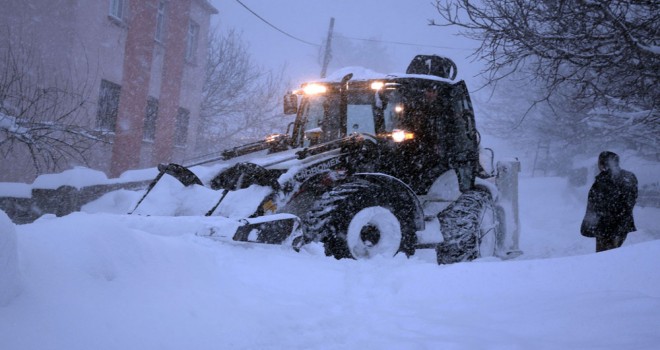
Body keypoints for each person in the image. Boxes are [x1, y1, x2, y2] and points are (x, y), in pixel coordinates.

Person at [581, 151, 638, 252]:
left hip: (606, 228)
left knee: (604, 257)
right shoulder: (629, 177)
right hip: (623, 226)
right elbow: (631, 200)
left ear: (603, 164)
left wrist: (591, 224)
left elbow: (596, 206)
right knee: (615, 254)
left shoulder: (603, 181)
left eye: (599, 162)